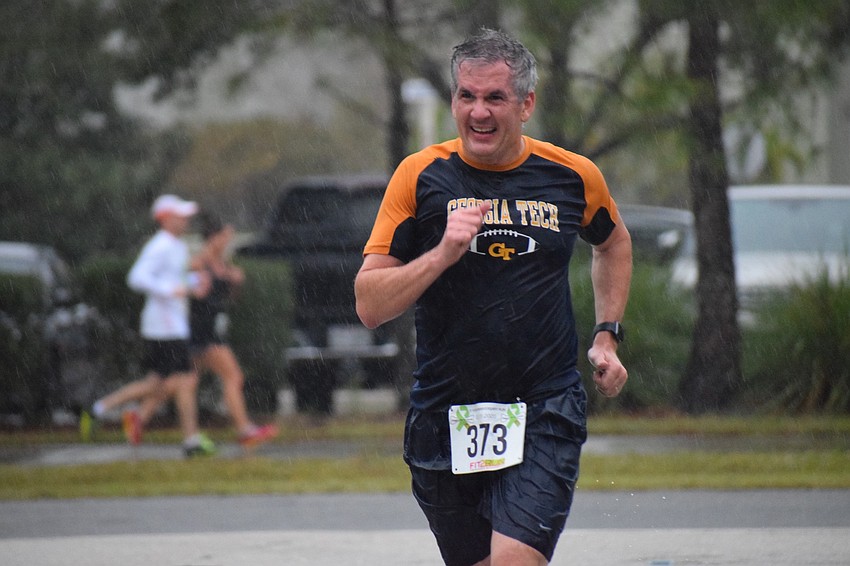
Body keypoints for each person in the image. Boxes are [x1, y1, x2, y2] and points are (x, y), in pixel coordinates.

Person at [354, 28, 632, 566]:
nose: (478, 112)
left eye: (495, 98)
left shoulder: (572, 177)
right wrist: (439, 254)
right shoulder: (420, 177)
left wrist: (607, 334)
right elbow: (369, 304)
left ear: (526, 104)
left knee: (513, 561)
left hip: (543, 406)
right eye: (467, 96)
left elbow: (613, 241)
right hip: (444, 411)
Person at [80, 194, 216, 458]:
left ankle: (100, 409)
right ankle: (190, 441)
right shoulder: (160, 245)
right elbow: (137, 277)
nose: (186, 220)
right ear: (164, 219)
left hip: (173, 324)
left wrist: (193, 283)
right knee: (185, 380)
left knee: (158, 383)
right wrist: (171, 290)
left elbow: (173, 278)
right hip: (164, 325)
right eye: (180, 216)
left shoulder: (175, 246)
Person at [135, 213, 278, 447]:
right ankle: (244, 429)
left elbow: (225, 298)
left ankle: (138, 419)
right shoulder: (198, 263)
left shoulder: (223, 264)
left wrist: (233, 281)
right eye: (224, 238)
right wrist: (197, 283)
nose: (227, 243)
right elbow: (187, 291)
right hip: (199, 331)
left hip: (208, 329)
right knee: (232, 376)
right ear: (213, 238)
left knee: (182, 383)